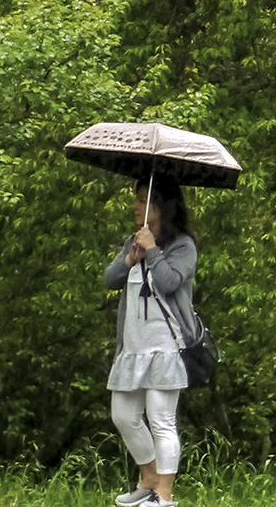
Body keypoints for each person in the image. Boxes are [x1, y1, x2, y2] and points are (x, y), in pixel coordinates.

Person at [104, 178, 198, 507]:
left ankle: (164, 495)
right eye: (137, 200)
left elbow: (170, 281)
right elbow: (109, 279)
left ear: (162, 207)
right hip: (132, 348)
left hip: (166, 348)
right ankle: (149, 478)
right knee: (123, 416)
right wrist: (130, 258)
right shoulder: (135, 241)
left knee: (161, 419)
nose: (136, 207)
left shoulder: (183, 246)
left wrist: (154, 251)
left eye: (144, 201)